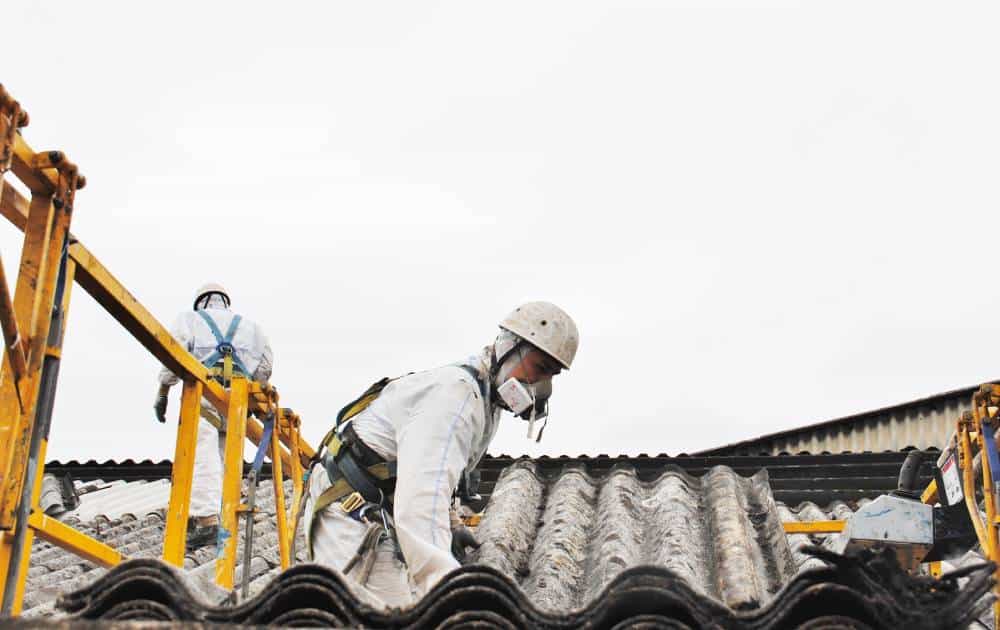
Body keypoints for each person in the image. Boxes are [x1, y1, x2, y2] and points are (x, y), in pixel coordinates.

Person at [305, 301, 579, 608]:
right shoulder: (456, 395)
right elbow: (423, 497)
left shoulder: (485, 402)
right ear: (509, 347)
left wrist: (452, 525)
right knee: (385, 613)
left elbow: (443, 475)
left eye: (551, 376)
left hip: (376, 505)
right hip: (350, 510)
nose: (542, 386)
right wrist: (447, 591)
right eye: (540, 368)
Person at [154, 283, 273, 548]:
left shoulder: (190, 319)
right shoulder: (252, 327)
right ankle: (219, 512)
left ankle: (207, 519)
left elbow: (173, 353)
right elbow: (265, 367)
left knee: (202, 454)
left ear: (201, 303)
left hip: (205, 395)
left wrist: (163, 390)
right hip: (236, 402)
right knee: (224, 459)